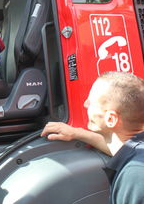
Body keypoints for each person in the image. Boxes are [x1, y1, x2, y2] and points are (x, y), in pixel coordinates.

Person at [41, 71, 144, 204]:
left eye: (91, 102)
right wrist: (76, 133)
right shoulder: (135, 151)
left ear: (111, 119)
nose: (85, 104)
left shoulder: (136, 175)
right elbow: (118, 146)